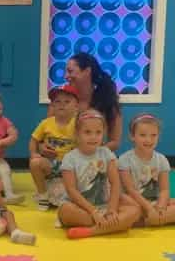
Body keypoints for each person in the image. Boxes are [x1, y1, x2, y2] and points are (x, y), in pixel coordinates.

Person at [58, 109, 140, 239]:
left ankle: (93, 231)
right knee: (65, 212)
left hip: (104, 206)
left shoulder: (106, 153)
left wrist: (112, 209)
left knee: (135, 210)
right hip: (80, 208)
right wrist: (93, 211)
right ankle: (116, 225)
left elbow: (115, 183)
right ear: (77, 134)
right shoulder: (70, 158)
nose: (93, 137)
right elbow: (71, 190)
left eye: (98, 132)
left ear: (103, 133)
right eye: (87, 132)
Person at [43, 52, 122, 158]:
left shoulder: (107, 100)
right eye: (66, 72)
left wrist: (89, 153)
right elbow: (45, 134)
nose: (66, 76)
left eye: (70, 71)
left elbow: (114, 142)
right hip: (62, 159)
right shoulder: (58, 101)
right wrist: (41, 147)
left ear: (87, 71)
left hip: (94, 160)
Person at [119, 113, 175, 227]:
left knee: (169, 201)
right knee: (122, 199)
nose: (148, 139)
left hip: (155, 202)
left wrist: (160, 207)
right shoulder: (124, 159)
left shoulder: (162, 159)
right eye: (143, 135)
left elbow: (164, 190)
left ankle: (146, 220)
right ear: (132, 136)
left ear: (158, 136)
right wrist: (148, 208)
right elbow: (130, 190)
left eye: (153, 135)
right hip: (134, 202)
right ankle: (152, 219)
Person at [29, 84, 78, 211]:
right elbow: (34, 140)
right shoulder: (46, 123)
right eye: (58, 101)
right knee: (35, 163)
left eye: (67, 101)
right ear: (53, 106)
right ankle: (43, 195)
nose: (62, 104)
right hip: (51, 163)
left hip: (71, 166)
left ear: (76, 106)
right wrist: (34, 153)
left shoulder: (78, 124)